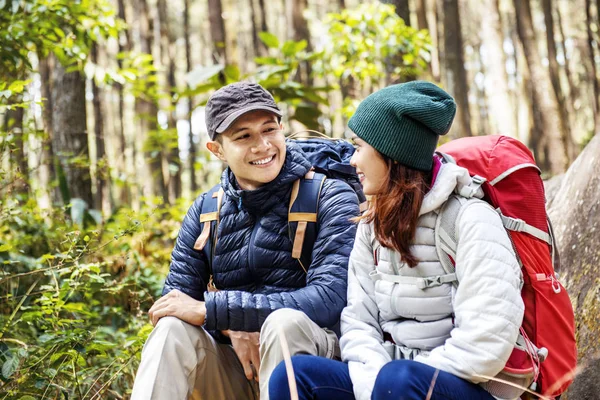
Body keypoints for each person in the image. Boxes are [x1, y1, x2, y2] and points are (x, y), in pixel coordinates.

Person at [269, 81, 524, 400]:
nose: (352, 160)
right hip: (387, 385)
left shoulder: (471, 219)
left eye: (359, 147)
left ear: (391, 153)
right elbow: (359, 323)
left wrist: (391, 385)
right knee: (293, 376)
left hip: (465, 385)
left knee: (401, 379)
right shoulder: (371, 225)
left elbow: (485, 343)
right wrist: (374, 386)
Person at [131, 82, 360, 400]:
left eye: (269, 130)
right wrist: (229, 327)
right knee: (171, 330)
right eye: (244, 136)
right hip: (236, 369)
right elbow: (176, 304)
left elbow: (328, 300)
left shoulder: (329, 195)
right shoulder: (206, 211)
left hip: (312, 370)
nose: (263, 146)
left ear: (282, 128)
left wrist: (217, 312)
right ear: (217, 150)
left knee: (284, 325)